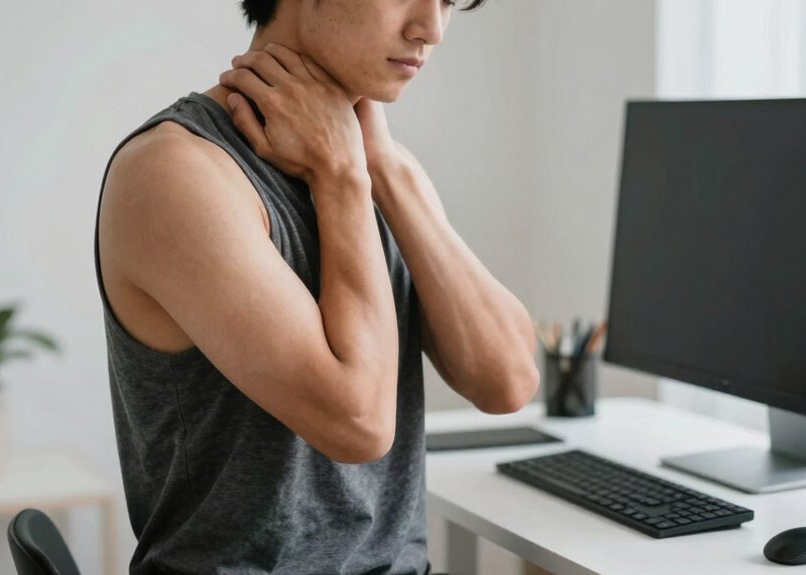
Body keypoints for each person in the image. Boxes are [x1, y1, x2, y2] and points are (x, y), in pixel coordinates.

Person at [92, 0, 540, 573]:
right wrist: (343, 177)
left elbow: (508, 382)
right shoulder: (175, 172)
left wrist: (383, 169)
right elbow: (360, 425)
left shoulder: (377, 166)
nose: (431, 28)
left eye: (450, 0)